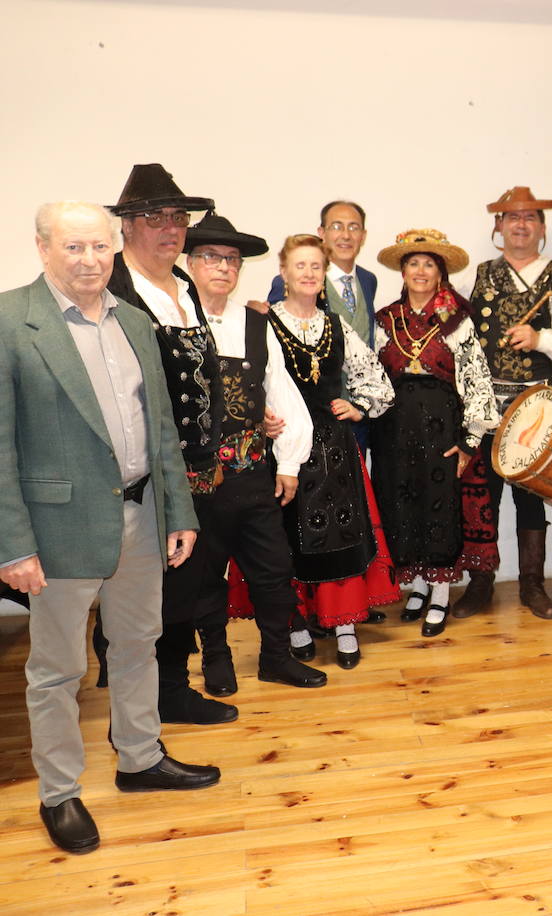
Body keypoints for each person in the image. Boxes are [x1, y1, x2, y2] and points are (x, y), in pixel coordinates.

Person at [1, 201, 218, 855]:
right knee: (57, 671)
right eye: (74, 248)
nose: (91, 261)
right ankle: (59, 793)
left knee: (137, 646)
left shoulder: (135, 323)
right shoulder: (11, 321)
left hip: (141, 517)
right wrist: (12, 544)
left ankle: (140, 757)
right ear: (43, 248)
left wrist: (178, 510)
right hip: (56, 527)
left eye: (99, 248)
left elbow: (161, 431)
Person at [103, 164, 233, 723]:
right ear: (127, 226)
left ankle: (171, 689)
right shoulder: (111, 286)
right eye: (154, 217)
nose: (170, 228)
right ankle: (131, 702)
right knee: (136, 592)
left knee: (187, 585)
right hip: (141, 471)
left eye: (178, 218)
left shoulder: (183, 286)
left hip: (197, 467)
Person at [182, 212, 323, 685]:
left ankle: (276, 657)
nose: (223, 266)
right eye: (211, 257)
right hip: (197, 481)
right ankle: (216, 660)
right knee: (205, 576)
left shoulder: (254, 323)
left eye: (232, 260)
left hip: (252, 475)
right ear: (191, 261)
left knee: (274, 570)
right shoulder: (175, 322)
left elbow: (280, 390)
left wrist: (288, 463)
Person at [459, 186, 552, 620]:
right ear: (498, 226)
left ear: (542, 227)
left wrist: (541, 339)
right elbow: (454, 335)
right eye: (511, 217)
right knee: (483, 496)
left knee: (532, 497)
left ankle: (532, 582)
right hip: (484, 409)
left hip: (538, 409)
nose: (520, 225)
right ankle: (481, 581)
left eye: (529, 217)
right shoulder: (475, 276)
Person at [265, 235, 397, 662]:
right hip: (285, 450)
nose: (308, 273)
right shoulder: (265, 324)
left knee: (340, 537)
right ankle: (298, 624)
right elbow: (249, 384)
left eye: (315, 267)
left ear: (323, 275)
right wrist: (260, 418)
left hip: (334, 451)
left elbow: (378, 381)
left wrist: (358, 407)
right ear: (283, 271)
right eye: (299, 265)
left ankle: (344, 626)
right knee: (287, 540)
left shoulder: (337, 325)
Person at [371, 229, 499, 637]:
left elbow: (478, 380)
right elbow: (371, 374)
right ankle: (417, 586)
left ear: (440, 272)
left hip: (441, 426)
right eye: (413, 263)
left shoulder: (457, 321)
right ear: (403, 271)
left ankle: (440, 592)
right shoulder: (386, 318)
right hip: (394, 428)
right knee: (401, 504)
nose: (421, 271)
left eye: (429, 263)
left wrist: (469, 440)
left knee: (438, 507)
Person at [267, 200, 377, 346]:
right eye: (337, 227)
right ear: (322, 233)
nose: (346, 235)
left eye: (353, 227)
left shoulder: (368, 280)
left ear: (363, 236)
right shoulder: (293, 282)